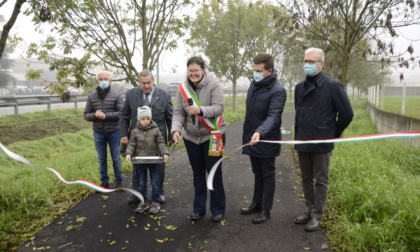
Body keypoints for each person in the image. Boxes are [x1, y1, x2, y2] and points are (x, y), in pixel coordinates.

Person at [294, 47, 354, 231]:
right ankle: (308, 208)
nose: (307, 65)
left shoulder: (333, 86)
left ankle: (316, 215)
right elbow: (299, 113)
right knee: (306, 178)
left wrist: (332, 133)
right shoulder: (299, 87)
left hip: (322, 142)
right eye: (305, 61)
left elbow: (347, 114)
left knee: (321, 180)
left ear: (321, 64)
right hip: (303, 140)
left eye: (311, 62)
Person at [171, 56, 226, 222]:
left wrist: (201, 110)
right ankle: (199, 208)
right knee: (197, 172)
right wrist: (175, 130)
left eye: (196, 70)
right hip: (191, 138)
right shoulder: (183, 88)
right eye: (190, 70)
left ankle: (218, 209)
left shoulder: (214, 84)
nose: (193, 73)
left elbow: (219, 107)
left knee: (213, 172)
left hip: (213, 135)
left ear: (203, 70)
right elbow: (179, 112)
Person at [240, 53, 287, 224]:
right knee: (257, 173)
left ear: (270, 70)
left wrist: (260, 132)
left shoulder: (278, 90)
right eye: (254, 70)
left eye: (258, 70)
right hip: (253, 138)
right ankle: (256, 204)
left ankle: (266, 210)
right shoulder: (254, 84)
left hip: (266, 138)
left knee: (268, 174)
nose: (255, 73)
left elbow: (273, 116)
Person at [120, 70, 173, 205]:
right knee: (137, 167)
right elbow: (124, 116)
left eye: (149, 82)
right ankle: (137, 193)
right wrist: (124, 135)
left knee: (158, 168)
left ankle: (159, 193)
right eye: (143, 83)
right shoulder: (131, 95)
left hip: (157, 139)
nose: (146, 86)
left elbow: (170, 117)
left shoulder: (164, 95)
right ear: (139, 83)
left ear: (153, 81)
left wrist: (172, 135)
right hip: (137, 138)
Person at [125, 106, 169, 214]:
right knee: (142, 182)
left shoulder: (156, 130)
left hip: (153, 160)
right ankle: (143, 202)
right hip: (140, 161)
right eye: (143, 119)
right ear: (139, 120)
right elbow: (131, 144)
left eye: (147, 119)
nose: (146, 121)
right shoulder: (135, 131)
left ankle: (155, 202)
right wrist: (128, 153)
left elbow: (160, 143)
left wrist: (164, 153)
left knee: (155, 182)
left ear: (150, 119)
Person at [84, 71, 124, 189]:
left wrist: (106, 115)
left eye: (105, 79)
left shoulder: (117, 95)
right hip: (98, 132)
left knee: (115, 157)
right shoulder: (91, 97)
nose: (103, 81)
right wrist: (94, 115)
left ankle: (119, 181)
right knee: (102, 159)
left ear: (110, 81)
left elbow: (121, 113)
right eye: (101, 79)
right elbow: (86, 115)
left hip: (114, 131)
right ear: (97, 81)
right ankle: (104, 182)